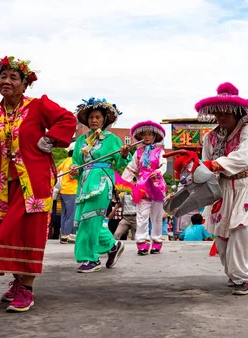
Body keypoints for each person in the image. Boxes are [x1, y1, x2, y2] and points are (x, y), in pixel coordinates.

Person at [0, 56, 76, 313]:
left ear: (24, 83)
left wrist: (50, 139)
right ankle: (19, 281)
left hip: (33, 184)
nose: (5, 81)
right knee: (4, 230)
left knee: (26, 231)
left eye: (13, 77)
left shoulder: (38, 106)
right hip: (4, 187)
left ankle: (27, 289)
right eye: (2, 77)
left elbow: (67, 120)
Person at [197, 83, 248, 295]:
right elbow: (206, 162)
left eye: (227, 111)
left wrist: (213, 165)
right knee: (221, 234)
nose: (222, 116)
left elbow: (242, 157)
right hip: (222, 187)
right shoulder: (209, 137)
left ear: (238, 111)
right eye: (218, 111)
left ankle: (242, 277)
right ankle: (232, 273)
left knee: (239, 227)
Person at [71, 97, 129, 273]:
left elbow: (122, 163)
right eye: (91, 118)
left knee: (90, 218)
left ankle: (91, 259)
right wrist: (74, 169)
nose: (94, 120)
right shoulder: (81, 140)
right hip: (84, 184)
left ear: (104, 119)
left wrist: (125, 154)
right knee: (85, 221)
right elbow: (76, 161)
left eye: (97, 117)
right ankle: (113, 245)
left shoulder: (112, 139)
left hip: (102, 182)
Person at [121, 121, 167, 255]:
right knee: (141, 215)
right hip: (142, 185)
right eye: (144, 134)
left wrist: (158, 172)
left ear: (155, 136)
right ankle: (142, 242)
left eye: (150, 134)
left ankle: (156, 241)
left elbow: (163, 164)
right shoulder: (138, 152)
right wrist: (124, 182)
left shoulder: (160, 151)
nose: (146, 137)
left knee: (157, 216)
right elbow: (132, 167)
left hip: (156, 184)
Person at [56, 143, 78, 244]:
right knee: (71, 214)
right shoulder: (74, 161)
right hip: (72, 190)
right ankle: (68, 235)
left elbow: (57, 171)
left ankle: (63, 235)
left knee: (64, 214)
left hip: (63, 190)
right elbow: (72, 176)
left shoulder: (65, 161)